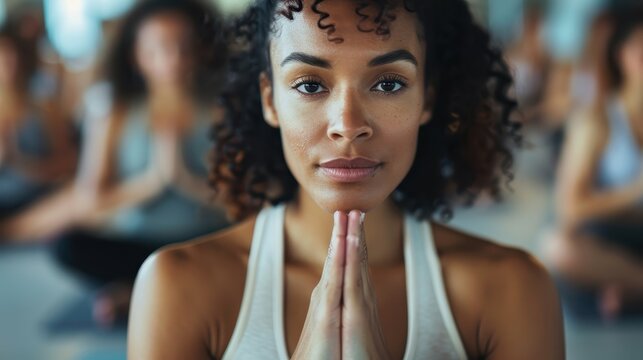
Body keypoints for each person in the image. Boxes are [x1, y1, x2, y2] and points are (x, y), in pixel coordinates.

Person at [129, 1, 565, 359]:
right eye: (310, 85)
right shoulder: (177, 289)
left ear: (427, 99)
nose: (348, 124)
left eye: (390, 84)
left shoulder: (512, 290)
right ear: (270, 100)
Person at [1, 0, 229, 326]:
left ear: (200, 49)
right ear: (137, 54)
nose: (173, 59)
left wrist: (185, 180)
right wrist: (151, 182)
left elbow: (241, 203)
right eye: (159, 49)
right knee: (69, 246)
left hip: (204, 240)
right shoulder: (117, 112)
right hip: (139, 243)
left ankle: (142, 293)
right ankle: (149, 289)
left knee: (251, 247)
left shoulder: (220, 110)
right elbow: (93, 200)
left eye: (183, 47)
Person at [546, 6, 643, 321]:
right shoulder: (597, 120)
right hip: (615, 241)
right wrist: (633, 194)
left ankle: (625, 295)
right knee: (559, 248)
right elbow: (570, 209)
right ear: (621, 54)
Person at [0, 20, 75, 219]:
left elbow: (68, 161)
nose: (7, 61)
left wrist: (23, 166)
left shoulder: (43, 105)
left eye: (10, 54)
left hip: (40, 194)